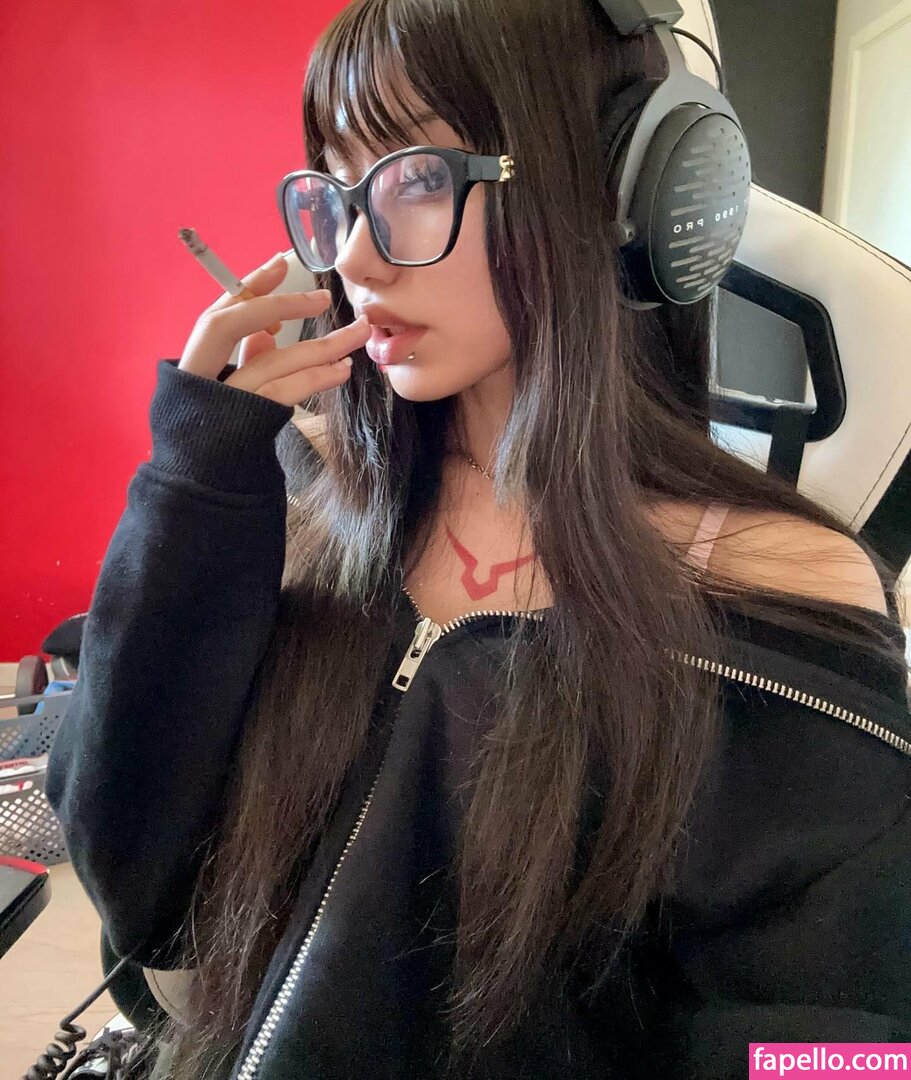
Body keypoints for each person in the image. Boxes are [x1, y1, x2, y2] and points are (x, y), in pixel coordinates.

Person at [46, 0, 911, 1077]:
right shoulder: (297, 489)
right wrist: (191, 482)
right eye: (340, 192)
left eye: (416, 179)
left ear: (613, 189)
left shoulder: (773, 583)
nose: (354, 259)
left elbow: (836, 1046)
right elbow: (138, 898)